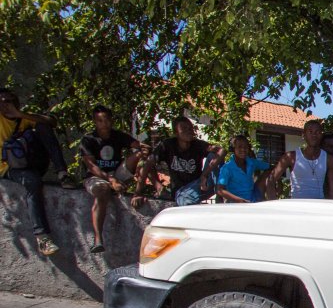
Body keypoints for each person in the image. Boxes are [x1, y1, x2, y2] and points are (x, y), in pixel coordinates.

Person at [0, 87, 72, 256]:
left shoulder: (24, 117)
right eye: (2, 102)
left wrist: (20, 115)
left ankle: (62, 173)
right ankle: (42, 237)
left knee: (43, 127)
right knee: (32, 181)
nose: (5, 105)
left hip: (30, 161)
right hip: (8, 167)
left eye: (9, 101)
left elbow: (51, 122)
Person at [80, 104, 144, 253]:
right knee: (102, 191)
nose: (105, 124)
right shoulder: (88, 139)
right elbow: (92, 167)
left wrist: (143, 151)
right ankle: (98, 239)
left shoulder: (118, 135)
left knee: (141, 155)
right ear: (95, 122)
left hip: (117, 173)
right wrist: (111, 180)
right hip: (96, 176)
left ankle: (139, 190)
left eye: (107, 120)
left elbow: (138, 146)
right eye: (100, 121)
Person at [132, 116, 221, 208]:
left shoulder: (198, 144)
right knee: (186, 201)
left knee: (214, 155)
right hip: (182, 191)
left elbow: (221, 151)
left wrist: (205, 175)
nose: (189, 131)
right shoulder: (168, 145)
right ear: (176, 133)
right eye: (184, 128)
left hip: (199, 186)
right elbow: (147, 164)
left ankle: (220, 194)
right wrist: (138, 193)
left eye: (191, 128)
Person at [270, 119, 333, 199]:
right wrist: (272, 204)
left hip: (319, 206)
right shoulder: (291, 157)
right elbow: (271, 179)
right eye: (310, 132)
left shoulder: (329, 159)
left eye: (317, 132)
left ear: (321, 135)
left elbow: (332, 188)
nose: (314, 135)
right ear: (303, 135)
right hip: (297, 206)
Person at [216, 135, 271, 203]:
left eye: (245, 147)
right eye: (239, 147)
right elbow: (219, 190)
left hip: (254, 197)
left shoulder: (251, 162)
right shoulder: (227, 168)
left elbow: (272, 167)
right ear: (233, 149)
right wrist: (239, 200)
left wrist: (278, 182)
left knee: (269, 172)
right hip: (237, 203)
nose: (243, 149)